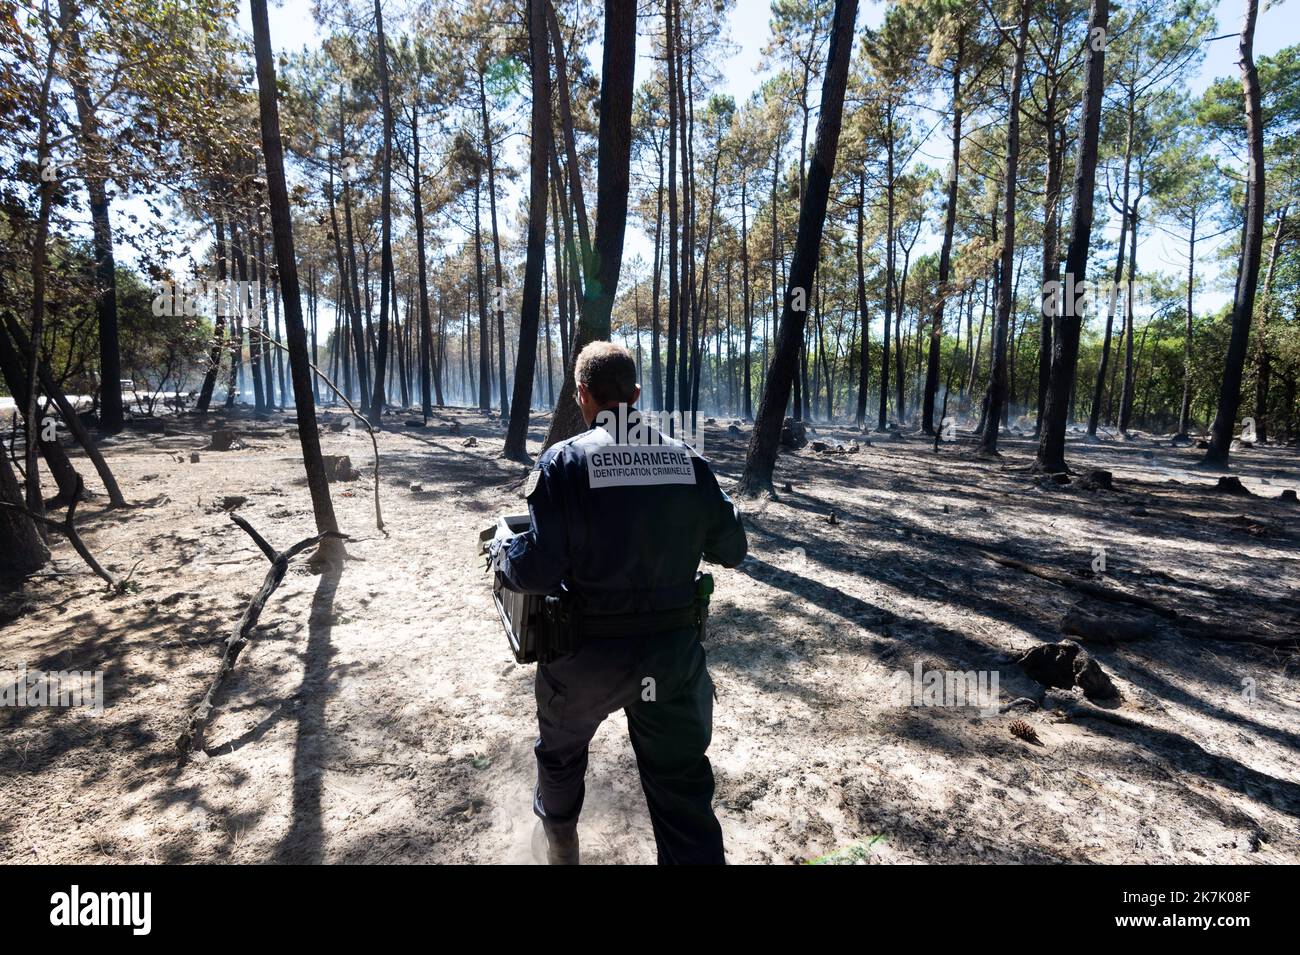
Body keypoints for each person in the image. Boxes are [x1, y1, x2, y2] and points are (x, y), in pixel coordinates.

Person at [494, 341, 747, 865]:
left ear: (582, 395)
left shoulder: (565, 463)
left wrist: (503, 557)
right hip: (670, 662)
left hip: (586, 658)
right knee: (681, 788)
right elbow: (733, 549)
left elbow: (537, 568)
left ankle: (561, 846)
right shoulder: (688, 462)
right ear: (635, 394)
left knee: (561, 755)